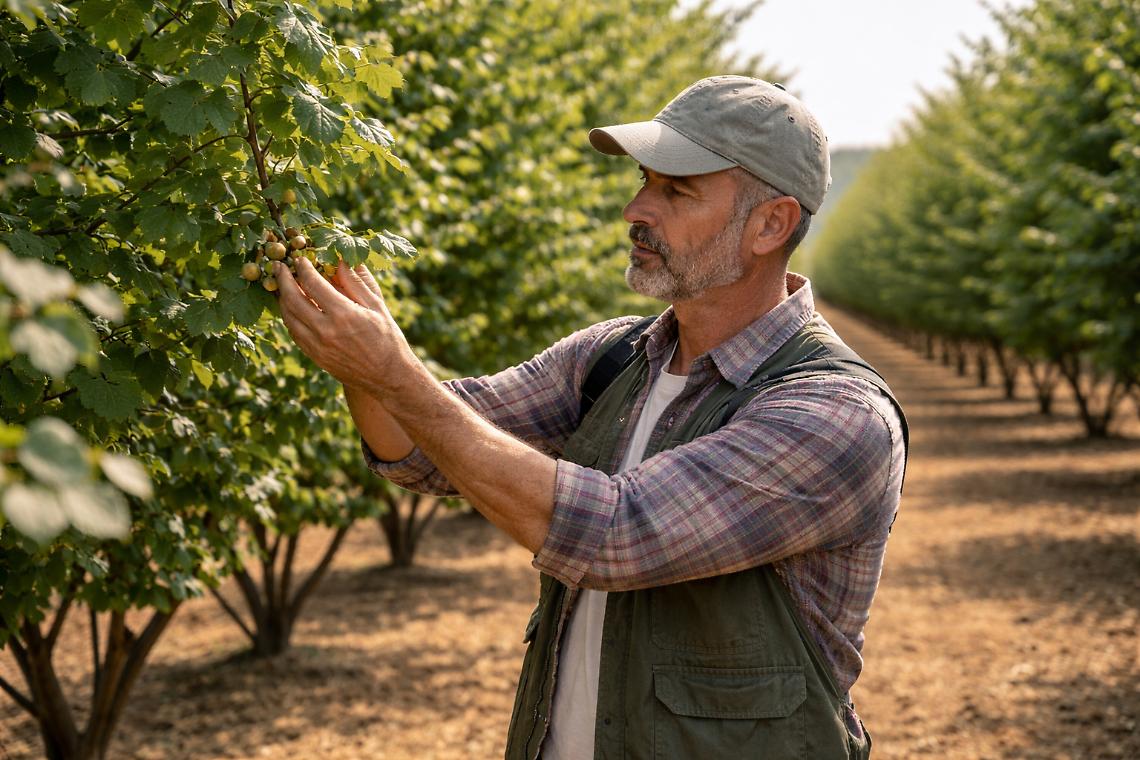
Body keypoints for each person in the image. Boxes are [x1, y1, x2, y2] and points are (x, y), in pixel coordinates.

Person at [274, 75, 907, 759]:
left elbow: (613, 533)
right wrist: (355, 343)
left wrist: (393, 373)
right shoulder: (608, 359)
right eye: (644, 181)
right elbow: (418, 446)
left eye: (677, 190)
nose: (636, 208)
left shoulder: (837, 417)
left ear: (771, 224)